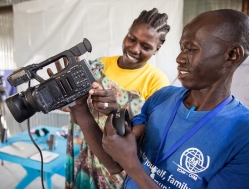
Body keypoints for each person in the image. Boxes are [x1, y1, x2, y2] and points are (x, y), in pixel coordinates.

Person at [99, 9, 249, 189]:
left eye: (192, 49)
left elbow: (127, 160)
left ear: (232, 55)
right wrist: (81, 110)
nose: (179, 58)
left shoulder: (243, 135)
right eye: (182, 48)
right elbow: (114, 162)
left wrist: (132, 165)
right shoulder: (163, 97)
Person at [47, 8, 170, 189]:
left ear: (157, 49)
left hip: (118, 170)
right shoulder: (97, 66)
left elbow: (139, 143)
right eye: (132, 38)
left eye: (146, 46)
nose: (134, 49)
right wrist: (70, 105)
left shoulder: (157, 82)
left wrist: (114, 112)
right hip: (85, 155)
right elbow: (77, 120)